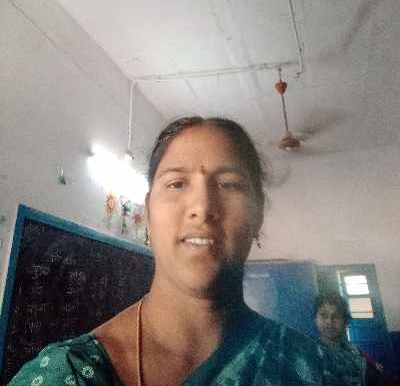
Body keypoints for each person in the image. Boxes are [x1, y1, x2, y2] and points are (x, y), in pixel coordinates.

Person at [9, 117, 363, 385]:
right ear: (148, 212)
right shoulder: (68, 374)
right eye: (177, 183)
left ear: (258, 215)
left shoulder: (320, 372)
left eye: (228, 184)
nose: (202, 207)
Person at [315, 292, 388, 386]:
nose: (329, 321)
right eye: (323, 315)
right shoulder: (309, 353)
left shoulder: (356, 354)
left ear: (345, 321)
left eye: (336, 316)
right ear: (315, 319)